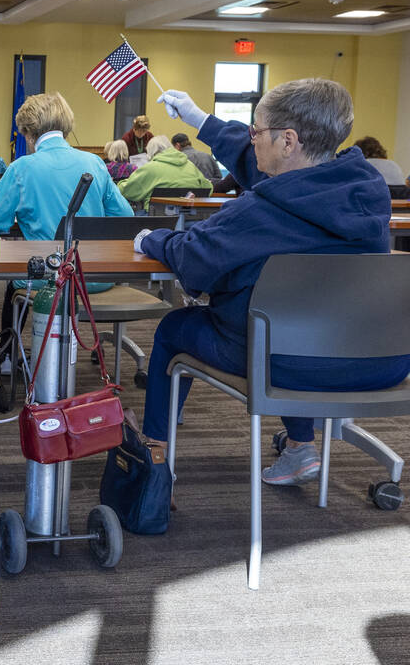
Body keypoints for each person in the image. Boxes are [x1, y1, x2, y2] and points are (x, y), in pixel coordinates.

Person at [139, 80, 410, 486]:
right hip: (380, 361)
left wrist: (151, 238)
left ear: (288, 141)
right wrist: (200, 119)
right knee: (297, 318)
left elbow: (192, 260)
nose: (251, 142)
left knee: (177, 328)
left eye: (256, 132)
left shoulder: (260, 210)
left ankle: (152, 455)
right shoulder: (368, 192)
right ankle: (300, 448)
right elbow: (275, 173)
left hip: (291, 362)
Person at [0, 93, 132, 240]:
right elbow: (125, 215)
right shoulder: (95, 162)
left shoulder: (20, 169)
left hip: (46, 261)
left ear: (28, 134)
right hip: (92, 261)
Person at [117, 135, 213, 210]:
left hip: (156, 220)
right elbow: (208, 187)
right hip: (191, 220)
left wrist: (121, 182)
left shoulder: (150, 168)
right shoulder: (190, 165)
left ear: (151, 152)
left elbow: (127, 190)